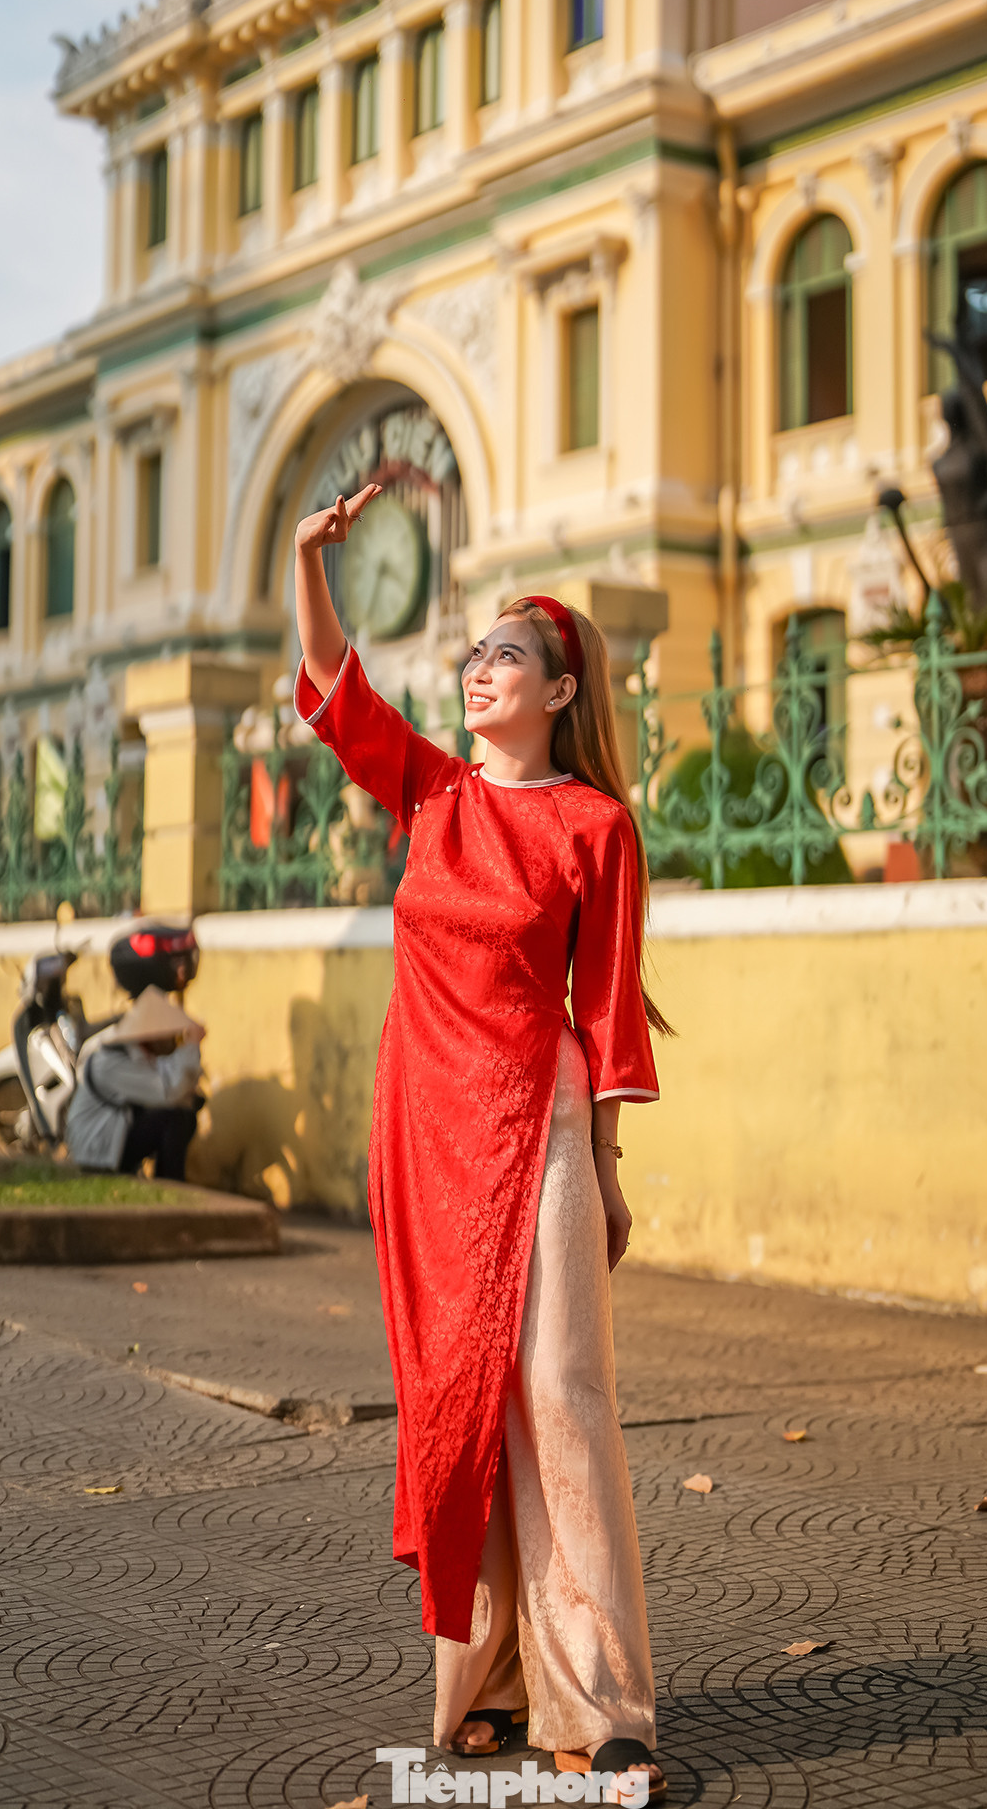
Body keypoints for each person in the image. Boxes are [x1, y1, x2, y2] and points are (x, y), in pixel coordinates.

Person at [294, 484, 672, 1801]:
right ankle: (490, 1690)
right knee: (455, 1402)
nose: (477, 671)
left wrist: (611, 1173)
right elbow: (335, 692)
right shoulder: (433, 794)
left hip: (547, 1125)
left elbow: (609, 1006)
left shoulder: (594, 828)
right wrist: (307, 558)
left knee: (560, 1399)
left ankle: (608, 1701)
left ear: (560, 690)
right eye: (470, 656)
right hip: (428, 1136)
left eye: (504, 655)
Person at [65, 986, 204, 1179]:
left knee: (185, 1115)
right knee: (175, 1119)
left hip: (111, 1138)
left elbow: (171, 1079)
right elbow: (169, 1091)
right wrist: (191, 1046)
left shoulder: (137, 1055)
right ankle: (171, 1186)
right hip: (95, 1149)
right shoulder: (111, 1061)